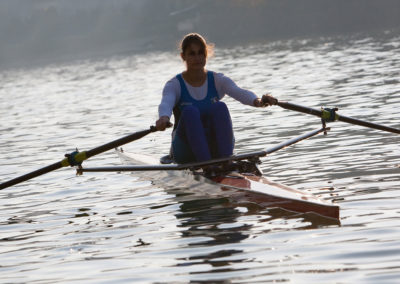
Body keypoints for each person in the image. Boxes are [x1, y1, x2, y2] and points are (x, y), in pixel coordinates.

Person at [155, 33, 277, 164]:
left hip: (215, 147)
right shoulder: (174, 85)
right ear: (183, 56)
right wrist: (164, 117)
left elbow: (240, 92)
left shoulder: (217, 80)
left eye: (201, 53)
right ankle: (209, 165)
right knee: (190, 112)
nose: (197, 57)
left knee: (220, 107)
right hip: (185, 150)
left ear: (206, 54)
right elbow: (166, 103)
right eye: (192, 53)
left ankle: (225, 161)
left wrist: (259, 102)